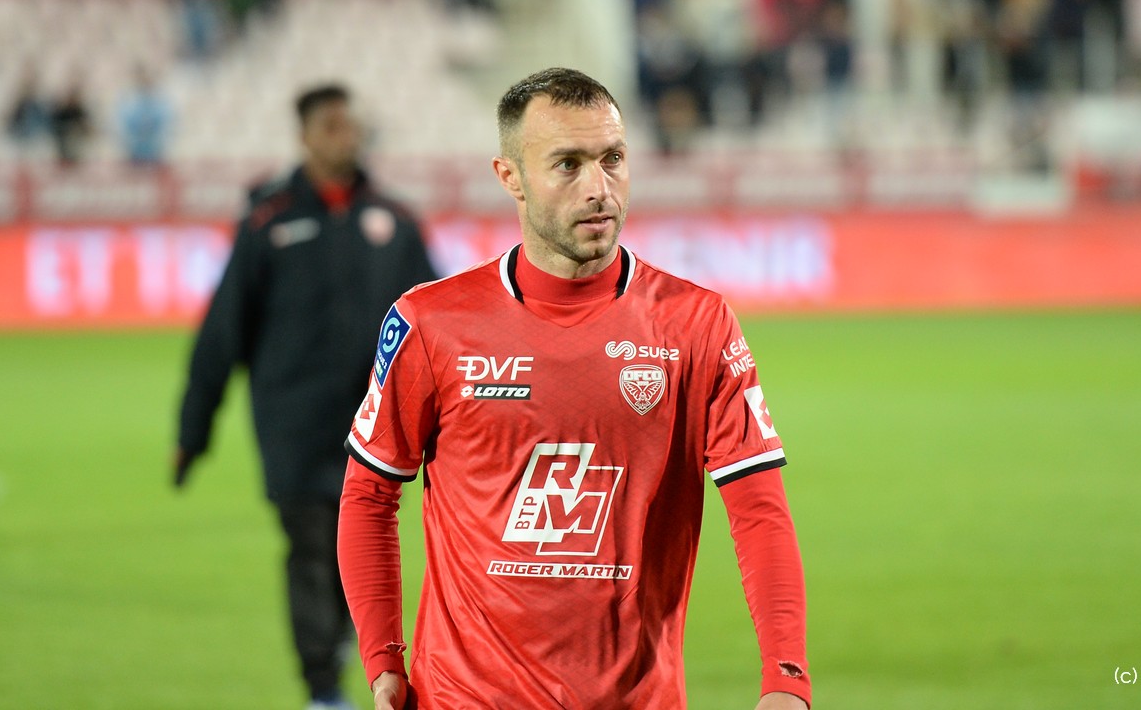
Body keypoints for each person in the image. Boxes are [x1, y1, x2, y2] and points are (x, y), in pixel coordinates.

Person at [338, 68, 810, 709]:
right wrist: (382, 659)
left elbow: (758, 507)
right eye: (568, 164)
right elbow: (368, 494)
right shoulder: (431, 322)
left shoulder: (695, 323)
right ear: (510, 176)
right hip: (464, 697)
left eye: (612, 158)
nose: (599, 188)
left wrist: (786, 675)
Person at [175, 84, 438, 710]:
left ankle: (346, 657)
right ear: (305, 136)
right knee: (312, 548)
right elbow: (223, 332)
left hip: (374, 425)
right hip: (293, 424)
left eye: (350, 124)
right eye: (330, 126)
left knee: (360, 545)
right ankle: (323, 687)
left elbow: (438, 329)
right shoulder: (268, 223)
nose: (345, 136)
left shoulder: (396, 221)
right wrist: (193, 432)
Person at [116, 68, 173, 167]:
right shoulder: (129, 104)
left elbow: (166, 128)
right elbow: (123, 129)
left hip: (155, 153)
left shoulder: (161, 104)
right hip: (134, 152)